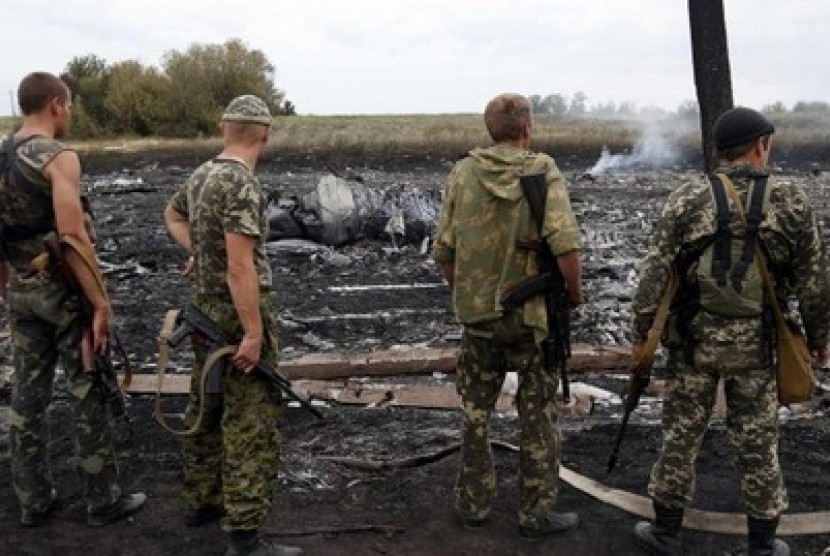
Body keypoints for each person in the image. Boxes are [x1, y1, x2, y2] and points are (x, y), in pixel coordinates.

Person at [631, 106, 830, 556]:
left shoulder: (686, 198)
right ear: (761, 145)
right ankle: (762, 542)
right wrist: (819, 342)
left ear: (721, 152)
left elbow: (654, 276)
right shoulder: (792, 201)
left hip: (693, 342)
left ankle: (665, 531)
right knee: (758, 438)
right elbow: (814, 282)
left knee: (681, 433)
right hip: (757, 347)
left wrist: (641, 333)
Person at [431, 93, 583, 541]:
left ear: (489, 130)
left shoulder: (462, 173)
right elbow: (566, 243)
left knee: (475, 414)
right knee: (537, 416)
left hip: (478, 322)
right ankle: (535, 513)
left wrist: (469, 290)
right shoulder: (541, 170)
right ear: (528, 129)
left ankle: (474, 505)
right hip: (532, 319)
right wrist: (573, 295)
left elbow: (444, 251)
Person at [0, 72, 146, 527]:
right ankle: (102, 500)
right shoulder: (57, 158)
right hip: (63, 292)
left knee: (27, 397)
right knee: (87, 388)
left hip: (20, 289)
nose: (72, 113)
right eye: (71, 105)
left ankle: (33, 500)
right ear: (57, 104)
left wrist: (6, 289)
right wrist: (100, 303)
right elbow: (72, 237)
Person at [163, 95, 301, 556]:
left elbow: (173, 214)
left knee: (206, 406)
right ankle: (243, 536)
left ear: (225, 128)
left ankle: (201, 502)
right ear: (265, 133)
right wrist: (255, 334)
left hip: (204, 315)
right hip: (233, 321)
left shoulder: (203, 174)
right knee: (250, 423)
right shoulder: (241, 184)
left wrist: (198, 253)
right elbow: (241, 269)